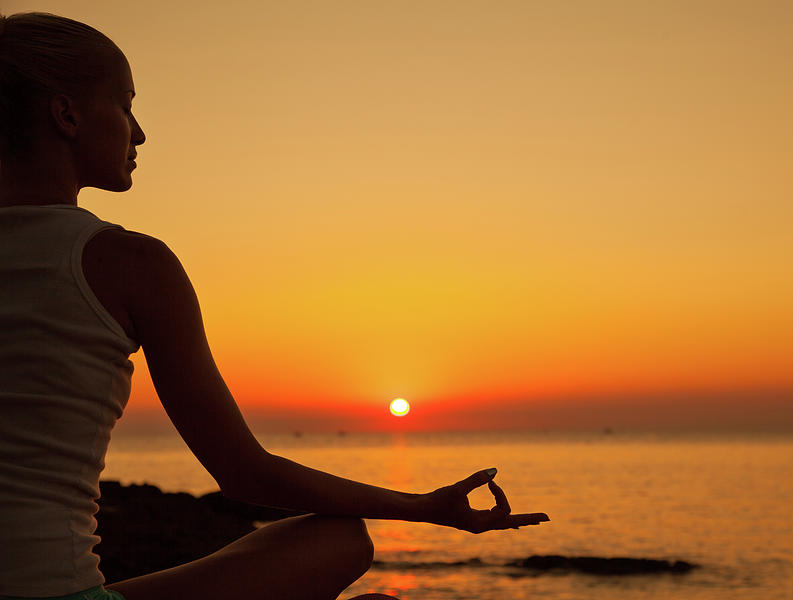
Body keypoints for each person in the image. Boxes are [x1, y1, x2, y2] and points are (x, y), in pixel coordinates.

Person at [0, 12, 549, 600]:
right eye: (126, 104)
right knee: (346, 545)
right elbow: (243, 473)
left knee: (342, 542)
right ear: (67, 115)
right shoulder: (127, 263)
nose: (139, 133)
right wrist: (423, 506)